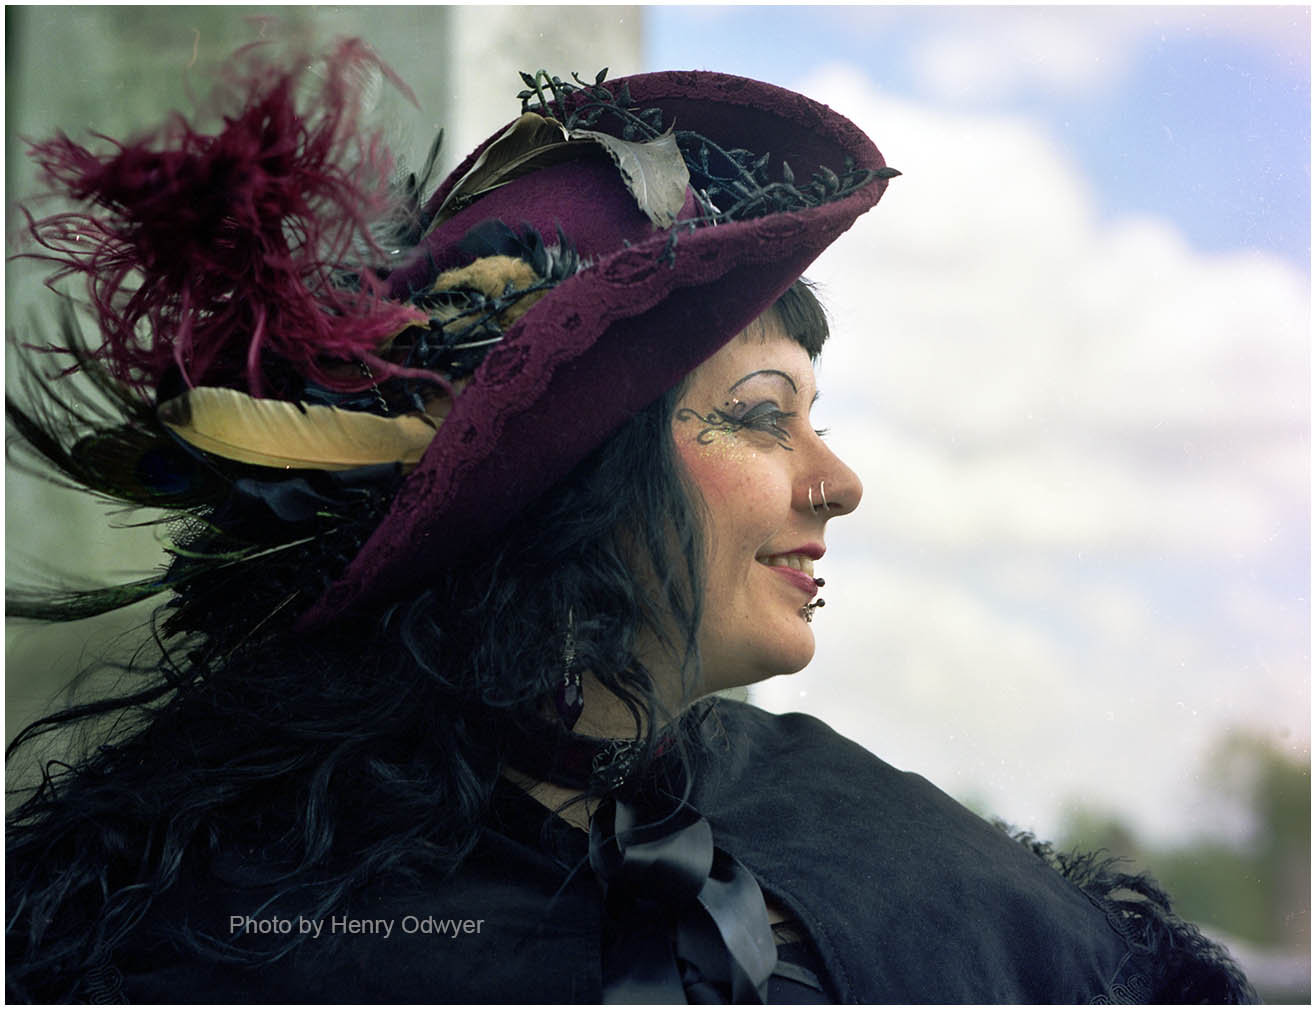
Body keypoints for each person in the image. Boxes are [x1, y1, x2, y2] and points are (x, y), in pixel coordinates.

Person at [6, 40, 1255, 1004]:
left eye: (816, 415)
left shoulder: (878, 839)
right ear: (587, 478)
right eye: (763, 414)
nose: (839, 480)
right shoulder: (251, 933)